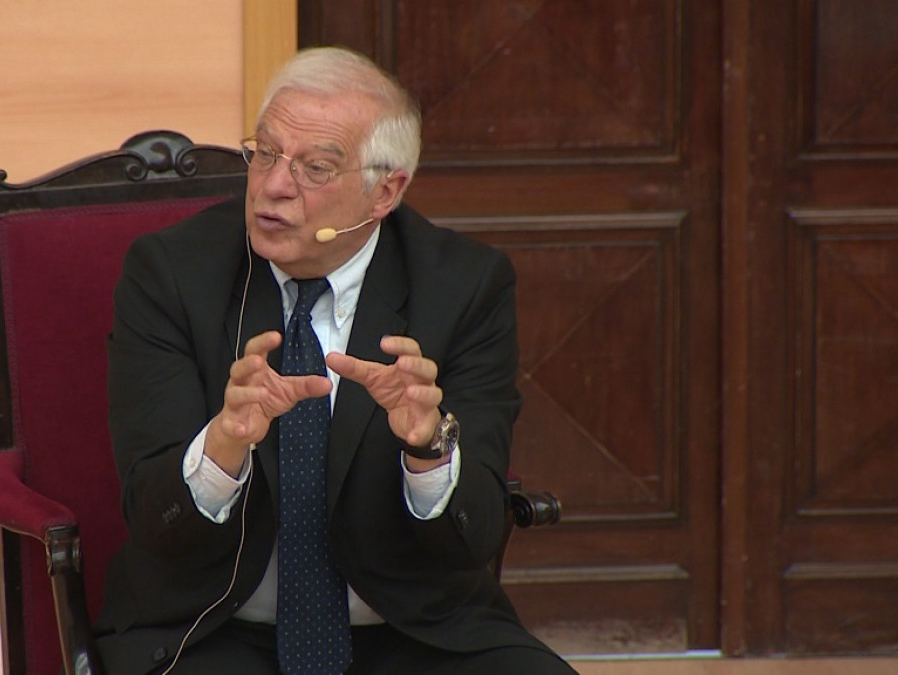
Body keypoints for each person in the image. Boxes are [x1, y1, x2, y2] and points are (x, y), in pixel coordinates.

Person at [97, 46, 576, 675]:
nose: (274, 186)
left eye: (315, 168)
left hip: (414, 631)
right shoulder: (172, 274)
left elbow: (474, 536)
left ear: (385, 191)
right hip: (210, 628)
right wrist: (223, 445)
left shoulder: (465, 287)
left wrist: (428, 447)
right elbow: (154, 521)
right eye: (265, 153)